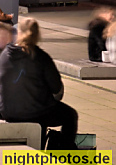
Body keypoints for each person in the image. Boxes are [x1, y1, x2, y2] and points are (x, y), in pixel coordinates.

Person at [0, 18, 78, 149]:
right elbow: (56, 87)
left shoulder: (4, 55)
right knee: (70, 115)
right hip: (36, 112)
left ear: (18, 33)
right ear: (37, 35)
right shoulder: (41, 57)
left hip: (6, 111)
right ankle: (65, 152)